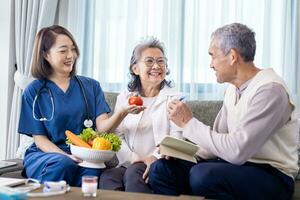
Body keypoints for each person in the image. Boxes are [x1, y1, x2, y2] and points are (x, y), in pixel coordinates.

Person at [148, 23, 299, 200]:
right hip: (235, 166)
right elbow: (216, 140)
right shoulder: (232, 89)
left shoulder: (270, 91)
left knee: (203, 175)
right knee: (162, 169)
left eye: (212, 56)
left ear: (232, 56)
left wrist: (188, 123)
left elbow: (236, 151)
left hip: (273, 175)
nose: (211, 64)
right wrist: (180, 152)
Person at [18, 25, 135, 186]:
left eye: (73, 49)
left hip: (85, 155)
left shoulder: (91, 86)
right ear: (45, 54)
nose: (71, 55)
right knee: (63, 164)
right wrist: (66, 156)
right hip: (46, 154)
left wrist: (122, 112)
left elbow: (102, 129)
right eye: (63, 50)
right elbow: (40, 140)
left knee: (92, 174)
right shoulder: (34, 91)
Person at [99, 37, 183, 193]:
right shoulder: (125, 97)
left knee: (133, 174)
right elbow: (117, 135)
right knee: (107, 178)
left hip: (158, 164)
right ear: (135, 69)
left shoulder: (175, 99)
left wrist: (153, 158)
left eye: (161, 61)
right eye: (149, 61)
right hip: (130, 161)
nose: (157, 66)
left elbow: (176, 137)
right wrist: (133, 158)